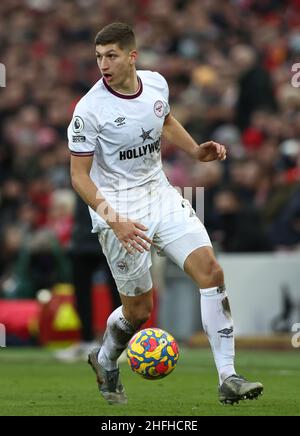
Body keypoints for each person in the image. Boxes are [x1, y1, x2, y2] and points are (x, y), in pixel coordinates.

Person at [68, 22, 263, 405]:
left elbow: (165, 120)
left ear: (131, 56)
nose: (103, 64)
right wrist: (115, 218)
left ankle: (229, 377)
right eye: (98, 57)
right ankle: (105, 358)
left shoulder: (156, 83)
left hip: (160, 195)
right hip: (118, 208)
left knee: (211, 271)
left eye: (111, 55)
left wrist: (195, 151)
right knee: (139, 310)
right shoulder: (88, 110)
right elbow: (78, 176)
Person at [54, 193, 121, 362]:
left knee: (119, 292)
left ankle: (118, 343)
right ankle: (86, 341)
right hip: (83, 236)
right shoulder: (81, 170)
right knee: (81, 293)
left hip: (112, 233)